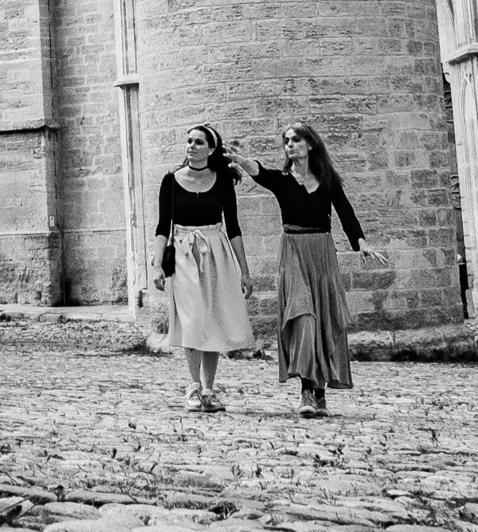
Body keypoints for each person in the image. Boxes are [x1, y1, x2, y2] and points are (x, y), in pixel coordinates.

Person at [230, 121, 386, 418]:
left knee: (324, 320)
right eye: (286, 141)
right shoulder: (282, 180)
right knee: (303, 318)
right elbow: (259, 171)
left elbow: (346, 213)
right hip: (293, 252)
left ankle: (320, 393)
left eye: (296, 140)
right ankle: (306, 389)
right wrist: (240, 160)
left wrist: (362, 243)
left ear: (310, 144)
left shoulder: (328, 181)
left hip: (322, 254)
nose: (290, 145)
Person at [152, 124, 254, 411]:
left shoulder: (223, 181)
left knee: (213, 320)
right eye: (189, 141)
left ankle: (209, 390)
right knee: (193, 319)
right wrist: (158, 265)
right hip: (184, 254)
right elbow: (162, 227)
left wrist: (245, 272)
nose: (191, 146)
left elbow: (233, 228)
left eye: (198, 142)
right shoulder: (171, 181)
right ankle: (193, 386)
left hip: (216, 253)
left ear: (211, 149)